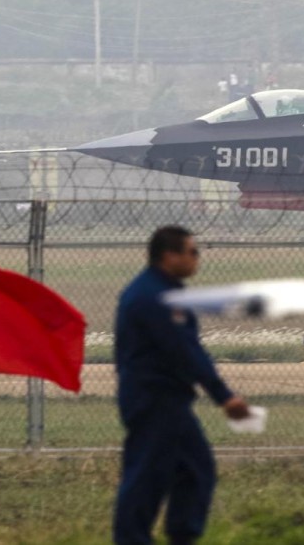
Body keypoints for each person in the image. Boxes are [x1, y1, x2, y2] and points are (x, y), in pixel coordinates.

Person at [113, 225, 250, 545]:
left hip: (167, 399)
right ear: (169, 256)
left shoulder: (162, 291)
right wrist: (223, 396)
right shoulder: (154, 297)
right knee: (147, 475)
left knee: (194, 469)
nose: (196, 259)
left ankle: (182, 535)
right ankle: (131, 539)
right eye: (192, 251)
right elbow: (184, 350)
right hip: (154, 399)